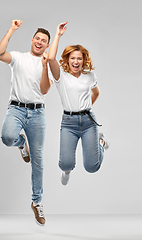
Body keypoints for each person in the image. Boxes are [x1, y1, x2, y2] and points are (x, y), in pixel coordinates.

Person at [0, 20, 52, 226]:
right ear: (32, 40)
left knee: (38, 160)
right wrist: (11, 29)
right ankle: (21, 143)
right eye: (37, 38)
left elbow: (45, 90)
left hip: (37, 114)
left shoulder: (47, 64)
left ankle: (36, 203)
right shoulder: (18, 57)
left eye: (44, 41)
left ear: (47, 45)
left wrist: (45, 65)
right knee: (7, 137)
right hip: (16, 108)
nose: (39, 42)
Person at [48, 22, 110, 186]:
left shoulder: (89, 76)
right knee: (65, 164)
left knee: (92, 167)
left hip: (89, 122)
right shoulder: (60, 77)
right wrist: (58, 35)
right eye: (73, 58)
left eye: (79, 58)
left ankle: (100, 142)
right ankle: (67, 171)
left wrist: (86, 107)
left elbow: (96, 93)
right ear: (67, 60)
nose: (76, 61)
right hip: (69, 124)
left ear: (84, 60)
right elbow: (50, 58)